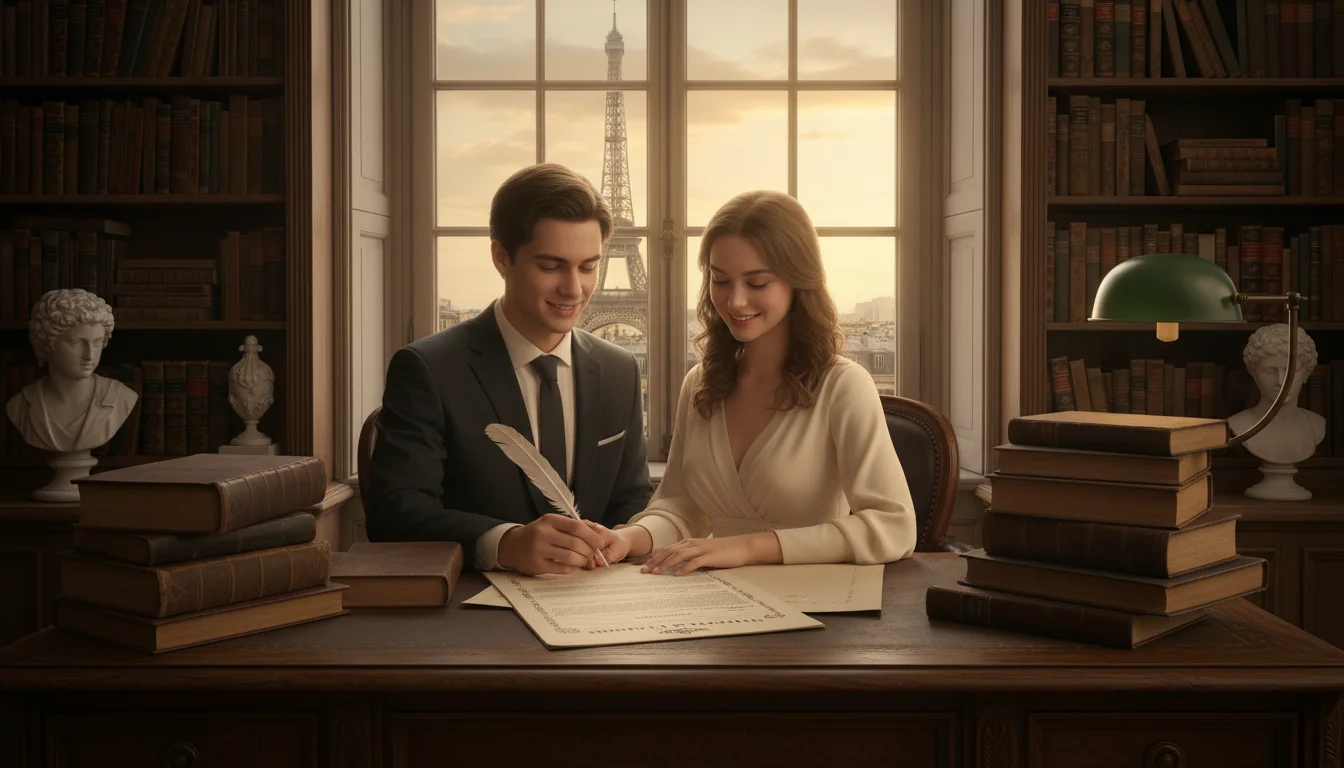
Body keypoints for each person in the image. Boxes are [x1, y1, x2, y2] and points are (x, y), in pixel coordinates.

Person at [589, 190, 918, 575]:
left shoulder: (843, 386)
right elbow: (681, 509)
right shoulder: (699, 384)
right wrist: (628, 538)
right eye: (720, 280)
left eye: (757, 283)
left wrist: (747, 547)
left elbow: (894, 527)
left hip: (813, 599)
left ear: (799, 281)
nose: (735, 301)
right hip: (717, 599)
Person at [365, 163, 652, 575]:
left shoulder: (620, 369)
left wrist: (619, 540)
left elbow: (632, 498)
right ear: (501, 257)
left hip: (597, 596)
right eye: (551, 266)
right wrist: (504, 543)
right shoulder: (428, 369)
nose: (573, 289)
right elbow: (395, 513)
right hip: (474, 605)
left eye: (588, 267)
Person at [6, 289, 137, 455]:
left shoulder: (120, 398)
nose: (90, 355)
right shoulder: (22, 405)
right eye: (77, 343)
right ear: (47, 344)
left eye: (97, 342)